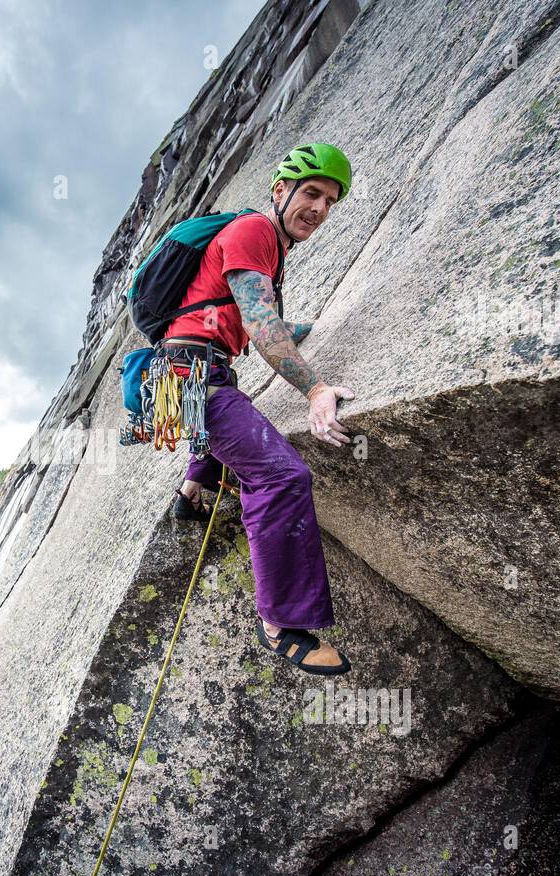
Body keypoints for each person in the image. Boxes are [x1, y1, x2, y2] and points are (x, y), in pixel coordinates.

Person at [159, 143, 356, 676]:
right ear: (280, 191)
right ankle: (280, 623)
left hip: (187, 376)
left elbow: (254, 319)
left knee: (231, 421)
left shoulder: (270, 246)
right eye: (311, 192)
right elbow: (263, 327)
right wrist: (316, 390)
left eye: (330, 200)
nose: (319, 208)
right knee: (281, 475)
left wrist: (303, 327)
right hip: (194, 377)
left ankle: (192, 490)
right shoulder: (254, 233)